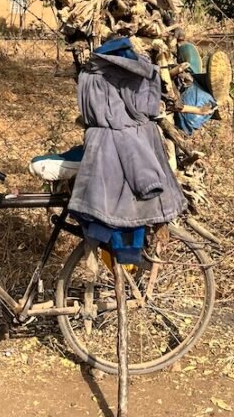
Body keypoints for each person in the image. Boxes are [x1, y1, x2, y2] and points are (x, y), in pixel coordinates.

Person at [68, 36, 186, 263]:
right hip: (120, 137)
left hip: (101, 141)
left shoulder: (94, 81)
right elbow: (147, 176)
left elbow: (144, 174)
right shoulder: (135, 129)